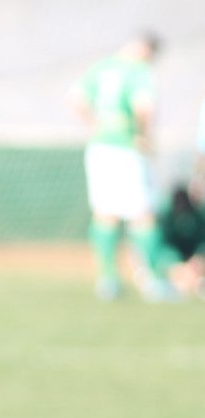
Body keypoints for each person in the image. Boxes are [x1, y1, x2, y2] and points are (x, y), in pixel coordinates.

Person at [69, 31, 174, 301]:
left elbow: (76, 98)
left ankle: (108, 280)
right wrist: (143, 136)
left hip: (100, 146)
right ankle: (153, 281)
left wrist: (95, 125)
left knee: (106, 213)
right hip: (127, 148)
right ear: (147, 51)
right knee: (143, 214)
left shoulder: (103, 66)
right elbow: (144, 107)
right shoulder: (139, 71)